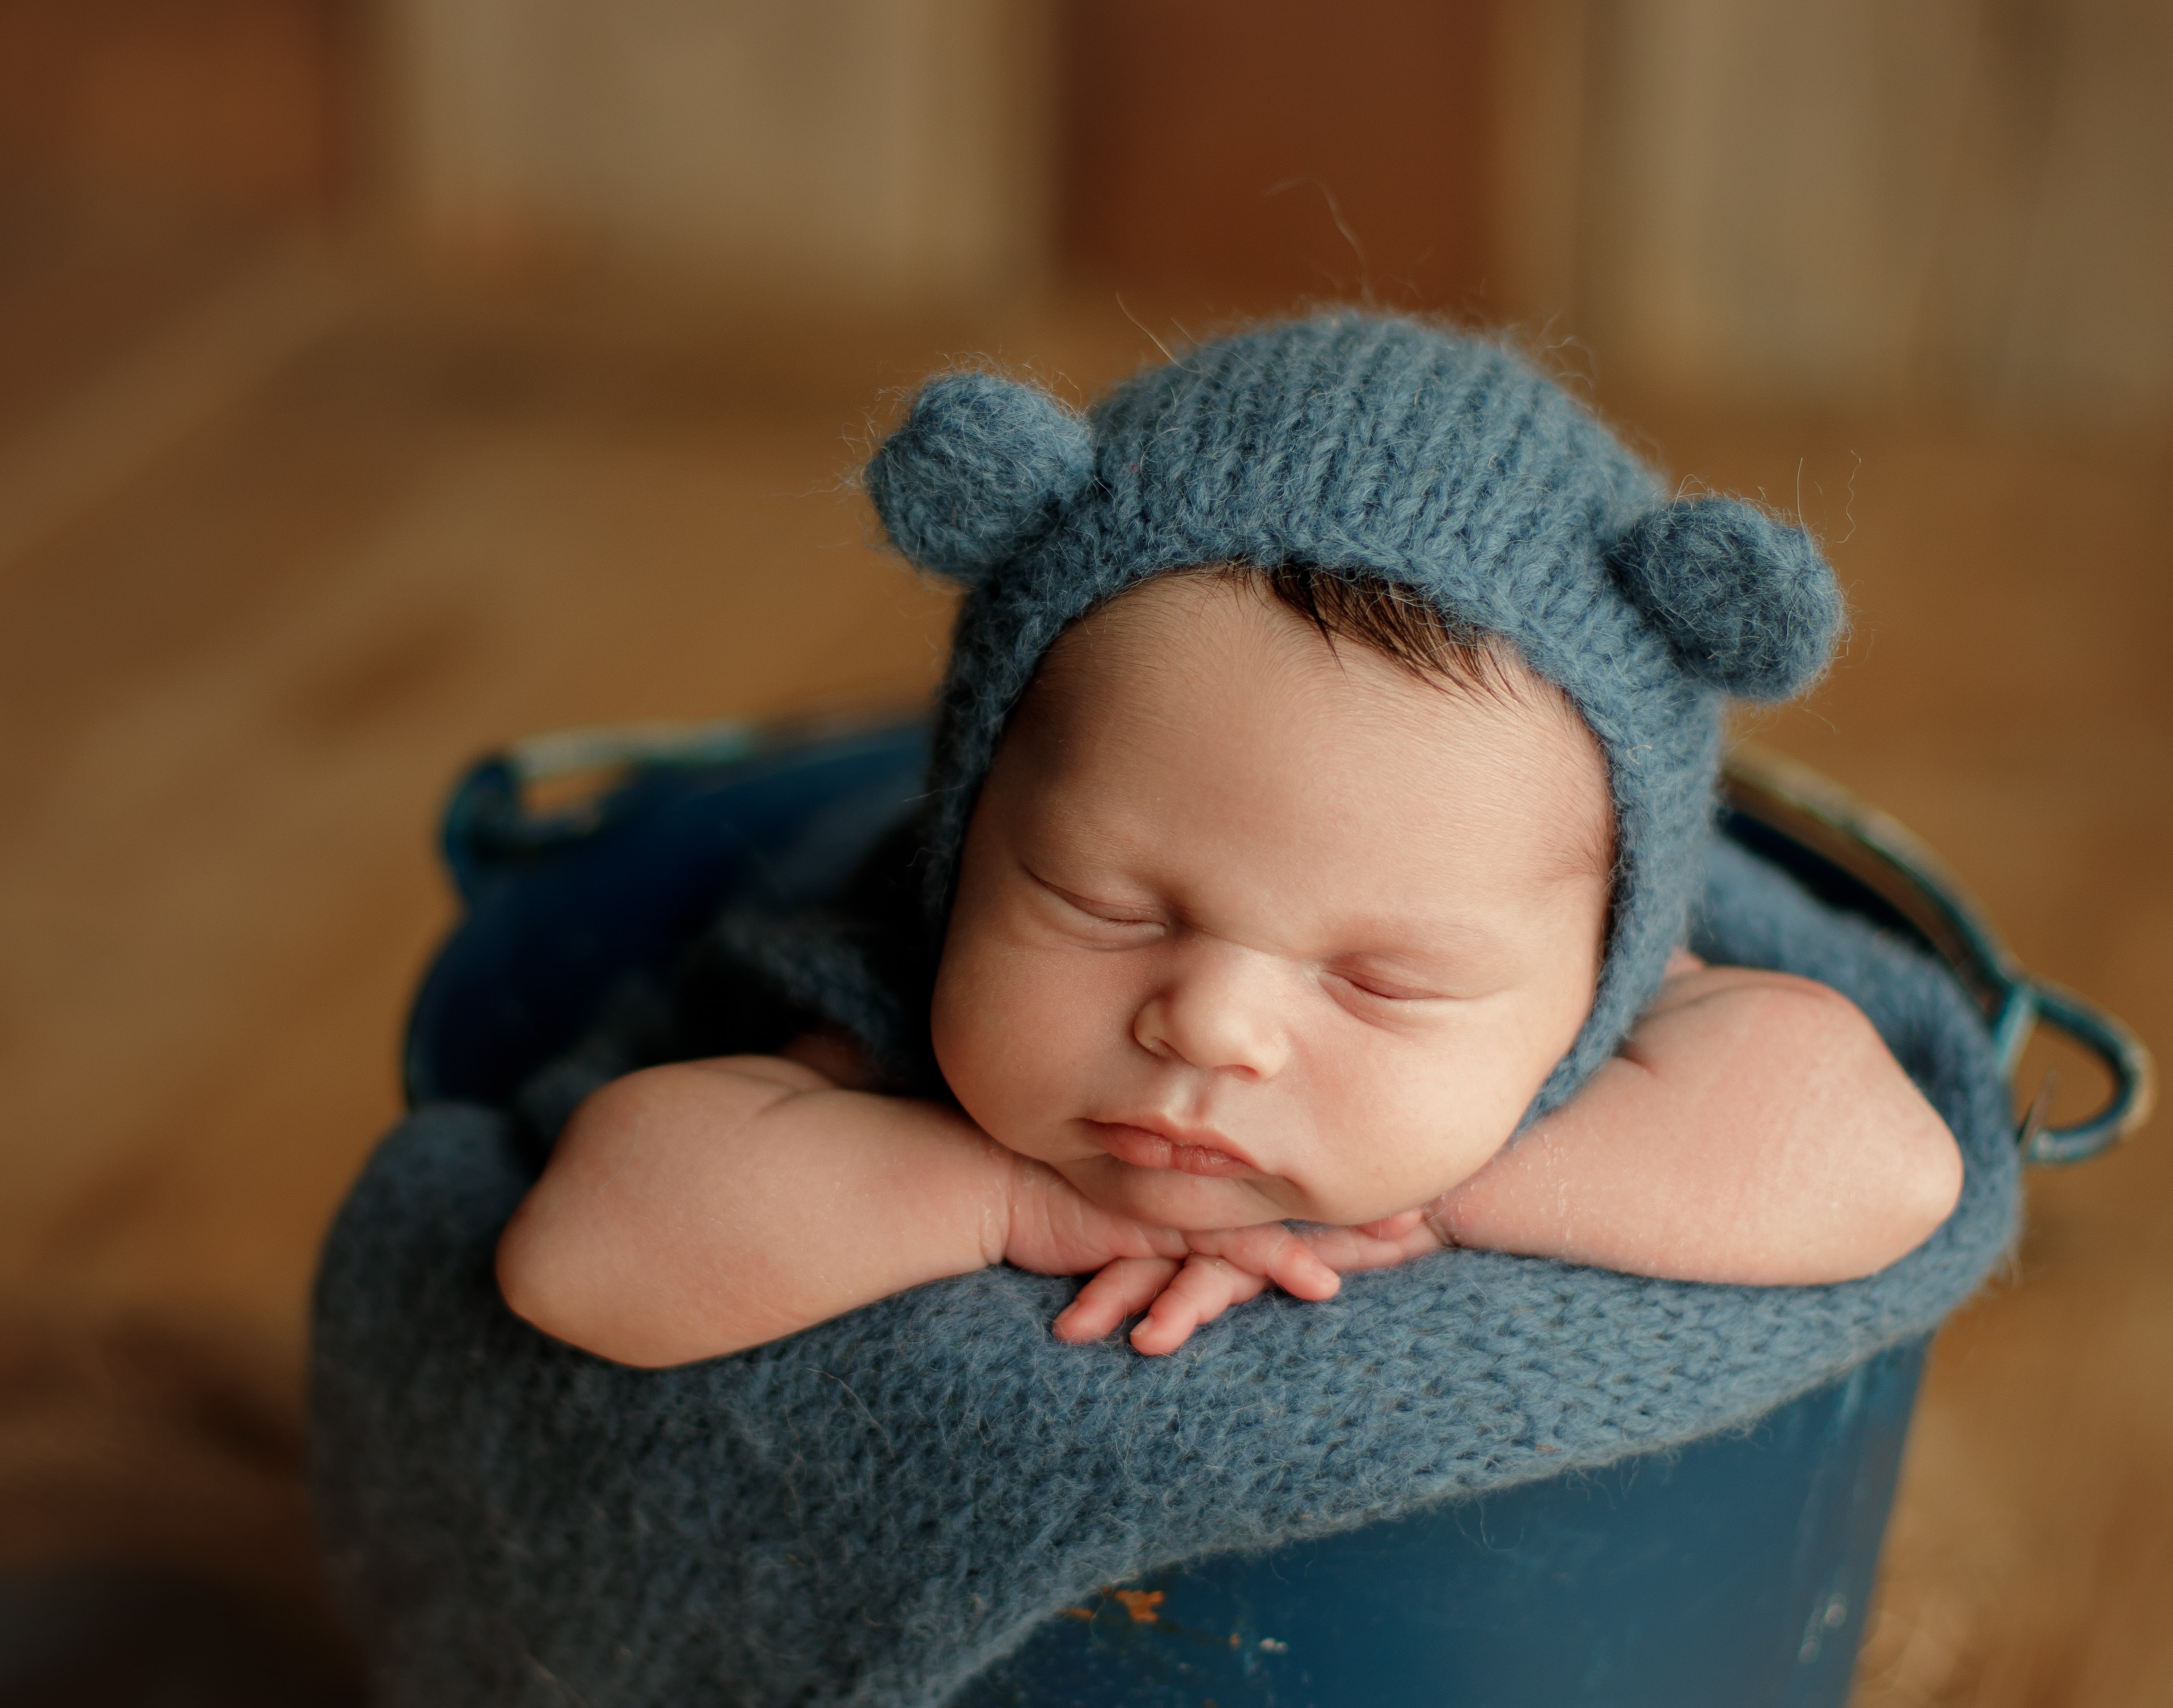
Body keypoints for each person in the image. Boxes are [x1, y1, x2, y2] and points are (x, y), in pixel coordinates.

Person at [494, 319, 1964, 1369]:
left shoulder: (1619, 1025)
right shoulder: (881, 1022)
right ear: (968, 837)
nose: (1210, 1020)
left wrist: (1440, 1190)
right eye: (1101, 903)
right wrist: (1002, 1196)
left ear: (1600, 974)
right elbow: (584, 1257)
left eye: (1385, 981)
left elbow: (1887, 1167)